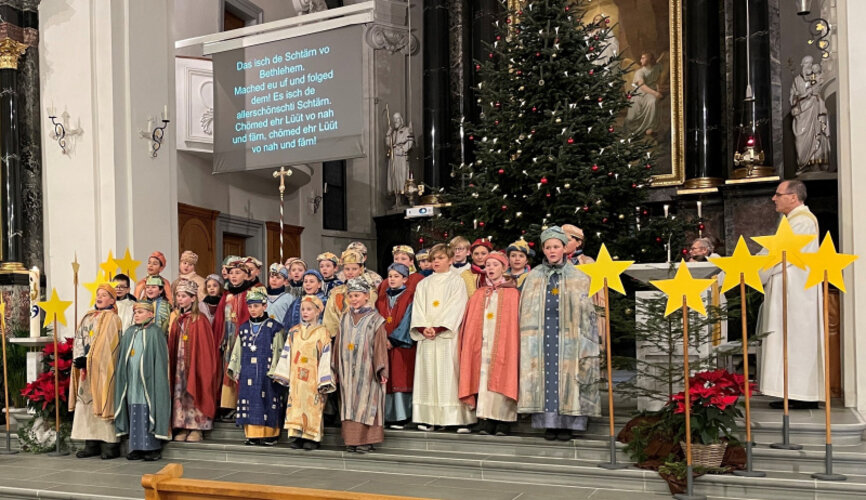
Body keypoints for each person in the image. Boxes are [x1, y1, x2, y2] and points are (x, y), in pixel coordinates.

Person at [518, 226, 601, 441]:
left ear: (564, 248)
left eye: (556, 247)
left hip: (570, 336)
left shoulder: (578, 276)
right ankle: (549, 423)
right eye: (548, 247)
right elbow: (525, 308)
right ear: (543, 250)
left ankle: (568, 423)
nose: (552, 251)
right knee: (545, 378)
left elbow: (587, 309)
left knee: (569, 376)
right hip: (541, 335)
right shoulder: (534, 275)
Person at [760, 180, 823, 410]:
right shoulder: (792, 221)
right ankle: (789, 391)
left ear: (793, 197)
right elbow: (774, 251)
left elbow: (781, 256)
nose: (773, 199)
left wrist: (756, 270)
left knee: (795, 340)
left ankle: (801, 394)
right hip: (788, 289)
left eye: (778, 194)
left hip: (796, 293)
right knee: (786, 338)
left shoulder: (803, 222)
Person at [410, 244, 475, 432]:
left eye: (440, 258)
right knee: (428, 376)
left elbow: (457, 306)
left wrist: (439, 328)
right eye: (434, 259)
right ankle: (429, 418)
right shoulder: (424, 284)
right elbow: (418, 307)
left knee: (449, 375)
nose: (436, 261)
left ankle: (453, 418)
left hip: (447, 337)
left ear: (450, 260)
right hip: (427, 338)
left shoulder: (457, 281)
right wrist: (423, 328)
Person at [459, 252, 520, 436]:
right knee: (483, 379)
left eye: (495, 265)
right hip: (484, 345)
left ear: (504, 268)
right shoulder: (479, 294)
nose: (491, 268)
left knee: (503, 375)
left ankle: (503, 421)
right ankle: (485, 419)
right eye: (488, 265)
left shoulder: (513, 294)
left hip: (503, 344)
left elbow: (515, 322)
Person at [270, 295, 335, 450]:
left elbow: (326, 356)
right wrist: (283, 374)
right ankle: (296, 435)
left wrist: (324, 379)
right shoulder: (294, 332)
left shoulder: (323, 332)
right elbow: (287, 352)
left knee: (313, 406)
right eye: (303, 309)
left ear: (318, 311)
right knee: (296, 404)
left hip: (313, 377)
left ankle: (311, 437)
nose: (305, 312)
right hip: (296, 377)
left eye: (309, 309)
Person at [332, 278, 389, 453]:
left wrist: (382, 369)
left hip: (368, 371)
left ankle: (367, 440)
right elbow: (338, 343)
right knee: (349, 404)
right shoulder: (344, 318)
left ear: (366, 296)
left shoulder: (376, 319)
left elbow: (380, 345)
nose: (353, 299)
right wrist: (334, 368)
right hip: (347, 371)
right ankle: (351, 440)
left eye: (357, 295)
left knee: (366, 403)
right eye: (350, 296)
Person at [227, 287, 287, 445]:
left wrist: (276, 372)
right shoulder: (244, 328)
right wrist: (236, 369)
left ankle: (270, 434)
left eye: (256, 306)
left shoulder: (275, 327)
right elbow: (238, 350)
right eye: (250, 306)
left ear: (264, 306)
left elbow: (279, 350)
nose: (252, 310)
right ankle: (252, 435)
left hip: (267, 372)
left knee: (268, 400)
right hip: (248, 371)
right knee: (250, 400)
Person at [70, 284, 123, 459]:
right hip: (86, 368)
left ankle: (110, 444)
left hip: (103, 369)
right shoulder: (88, 316)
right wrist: (80, 358)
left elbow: (109, 346)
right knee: (86, 403)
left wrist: (90, 359)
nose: (99, 297)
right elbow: (79, 338)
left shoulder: (113, 319)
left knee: (103, 401)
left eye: (104, 295)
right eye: (98, 294)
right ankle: (90, 442)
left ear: (112, 300)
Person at [114, 302, 171, 461]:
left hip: (149, 381)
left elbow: (160, 360)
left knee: (148, 409)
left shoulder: (155, 333)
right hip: (132, 382)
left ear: (151, 314)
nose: (136, 315)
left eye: (140, 312)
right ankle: (136, 447)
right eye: (135, 312)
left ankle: (152, 448)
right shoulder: (130, 332)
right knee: (133, 410)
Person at [169, 279, 219, 443]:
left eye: (184, 296)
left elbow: (205, 348)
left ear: (193, 298)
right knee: (180, 391)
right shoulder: (178, 319)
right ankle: (182, 425)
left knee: (194, 389)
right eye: (178, 296)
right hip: (179, 363)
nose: (180, 299)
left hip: (195, 363)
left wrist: (199, 365)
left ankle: (197, 427)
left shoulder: (200, 320)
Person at [212, 260, 256, 419]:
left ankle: (243, 403)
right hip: (228, 340)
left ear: (246, 275)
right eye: (231, 273)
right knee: (228, 370)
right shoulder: (226, 295)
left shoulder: (250, 294)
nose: (234, 276)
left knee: (242, 370)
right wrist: (220, 338)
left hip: (243, 339)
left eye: (238, 273)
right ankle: (229, 405)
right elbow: (219, 319)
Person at [375, 263, 416, 429]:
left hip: (400, 345)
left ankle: (402, 415)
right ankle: (387, 415)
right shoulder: (381, 299)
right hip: (383, 344)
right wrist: (380, 339)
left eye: (396, 276)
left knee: (400, 377)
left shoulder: (410, 297)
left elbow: (409, 319)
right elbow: (375, 319)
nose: (392, 279)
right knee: (386, 377)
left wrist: (393, 340)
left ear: (405, 279)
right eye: (390, 276)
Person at [324, 250, 379, 338]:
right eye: (347, 269)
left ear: (360, 270)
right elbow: (330, 319)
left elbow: (372, 315)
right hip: (341, 337)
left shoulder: (370, 292)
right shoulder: (336, 293)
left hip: (364, 336)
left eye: (354, 269)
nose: (350, 272)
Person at [790, 55, 831, 174]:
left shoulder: (817, 78)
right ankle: (803, 164)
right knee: (800, 139)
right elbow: (792, 99)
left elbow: (823, 93)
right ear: (802, 65)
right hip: (802, 113)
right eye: (807, 63)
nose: (809, 66)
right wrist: (798, 96)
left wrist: (815, 90)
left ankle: (816, 164)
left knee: (818, 135)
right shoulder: (796, 80)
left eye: (811, 63)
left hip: (815, 110)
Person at [624, 51, 664, 138]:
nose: (640, 60)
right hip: (639, 93)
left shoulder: (658, 67)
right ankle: (635, 130)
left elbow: (658, 79)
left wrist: (658, 90)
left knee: (653, 101)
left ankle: (650, 127)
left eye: (643, 58)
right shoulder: (640, 72)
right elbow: (642, 86)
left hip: (650, 92)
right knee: (632, 116)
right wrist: (656, 93)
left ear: (649, 59)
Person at [386, 111, 415, 201]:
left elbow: (410, 142)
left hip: (402, 156)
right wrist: (388, 134)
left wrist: (402, 150)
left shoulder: (406, 130)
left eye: (397, 118)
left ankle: (404, 197)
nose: (395, 121)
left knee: (402, 176)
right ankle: (396, 198)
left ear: (401, 119)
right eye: (394, 119)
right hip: (394, 157)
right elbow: (389, 144)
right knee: (394, 177)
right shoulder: (393, 132)